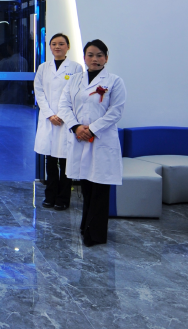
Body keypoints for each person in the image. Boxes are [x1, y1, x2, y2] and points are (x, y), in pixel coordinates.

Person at [58, 39, 126, 246]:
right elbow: (64, 105)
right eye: (90, 55)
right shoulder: (75, 80)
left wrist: (92, 129)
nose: (94, 59)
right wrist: (76, 127)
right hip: (80, 138)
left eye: (99, 55)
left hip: (102, 139)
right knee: (86, 186)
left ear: (106, 58)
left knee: (100, 189)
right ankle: (85, 226)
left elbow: (116, 111)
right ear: (84, 57)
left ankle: (95, 235)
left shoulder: (114, 81)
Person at [33, 33, 83, 210]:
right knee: (50, 160)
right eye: (54, 44)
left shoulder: (76, 68)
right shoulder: (43, 68)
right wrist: (49, 114)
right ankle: (50, 195)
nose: (57, 47)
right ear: (50, 47)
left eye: (61, 44)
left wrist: (62, 114)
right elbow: (39, 92)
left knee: (65, 160)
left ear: (68, 47)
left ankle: (63, 198)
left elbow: (76, 94)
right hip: (49, 120)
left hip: (66, 120)